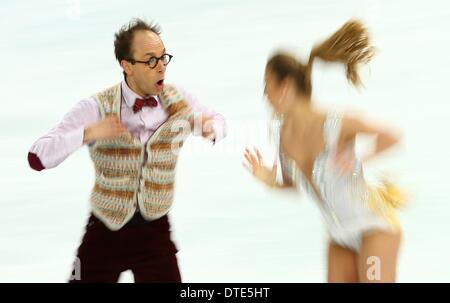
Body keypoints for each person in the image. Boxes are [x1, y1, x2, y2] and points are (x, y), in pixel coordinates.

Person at [28, 18, 227, 283]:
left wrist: (210, 128)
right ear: (127, 66)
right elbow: (37, 157)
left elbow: (219, 121)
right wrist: (87, 133)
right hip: (104, 231)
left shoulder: (178, 100)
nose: (161, 67)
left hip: (155, 231)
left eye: (163, 58)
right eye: (150, 60)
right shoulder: (95, 107)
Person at [243, 20, 406, 282]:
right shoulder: (280, 136)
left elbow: (391, 136)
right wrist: (268, 180)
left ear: (285, 86)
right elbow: (292, 185)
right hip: (338, 234)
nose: (264, 95)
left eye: (267, 85)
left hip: (374, 228)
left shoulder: (336, 123)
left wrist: (360, 158)